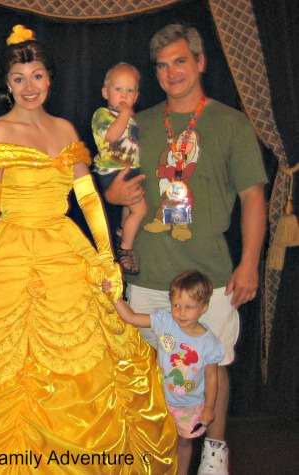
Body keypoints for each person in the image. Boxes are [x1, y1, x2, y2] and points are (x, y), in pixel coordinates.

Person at [0, 24, 177, 474]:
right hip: (9, 248)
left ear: (50, 78)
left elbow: (87, 198)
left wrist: (105, 256)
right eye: (20, 78)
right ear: (7, 84)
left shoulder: (65, 129)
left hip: (64, 248)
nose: (30, 86)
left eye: (38, 75)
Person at [105, 24, 267, 474]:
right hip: (150, 278)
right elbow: (114, 184)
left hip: (211, 279)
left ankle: (214, 456)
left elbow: (254, 197)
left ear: (200, 62)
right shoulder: (139, 123)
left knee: (213, 368)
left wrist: (250, 262)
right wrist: (114, 195)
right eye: (161, 65)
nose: (170, 72)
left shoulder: (231, 123)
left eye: (180, 61)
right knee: (157, 377)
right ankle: (160, 461)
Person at [113, 271, 223, 475]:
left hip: (189, 405)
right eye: (176, 305)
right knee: (157, 441)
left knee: (183, 443)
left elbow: (212, 377)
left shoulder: (209, 343)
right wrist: (114, 296)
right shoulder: (165, 321)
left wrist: (209, 407)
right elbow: (131, 317)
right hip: (160, 400)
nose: (181, 312)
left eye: (189, 307)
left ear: (203, 308)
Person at [91, 62, 147, 274]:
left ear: (136, 96)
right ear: (106, 92)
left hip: (129, 169)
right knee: (140, 210)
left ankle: (123, 231)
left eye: (129, 91)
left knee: (130, 207)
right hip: (112, 170)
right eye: (118, 89)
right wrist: (124, 115)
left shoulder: (133, 120)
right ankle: (125, 249)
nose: (124, 96)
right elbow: (112, 137)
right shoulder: (102, 115)